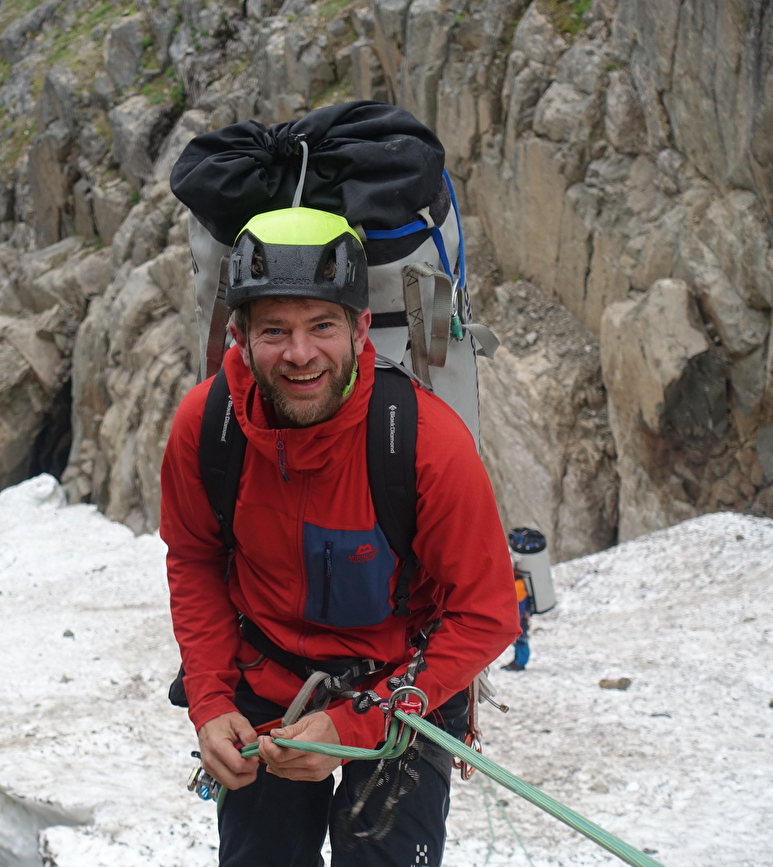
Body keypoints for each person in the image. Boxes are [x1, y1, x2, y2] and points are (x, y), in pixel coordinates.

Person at [160, 206, 520, 867]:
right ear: (240, 335)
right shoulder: (206, 427)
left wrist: (356, 722)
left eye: (321, 325)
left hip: (399, 689)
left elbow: (486, 611)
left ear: (359, 329)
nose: (300, 354)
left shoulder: (427, 446)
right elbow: (196, 562)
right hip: (263, 685)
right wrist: (210, 702)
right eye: (275, 330)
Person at [502, 571, 532, 671]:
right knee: (519, 639)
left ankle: (520, 663)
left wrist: (517, 620)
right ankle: (517, 660)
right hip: (520, 617)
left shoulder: (518, 585)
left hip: (520, 618)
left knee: (521, 639)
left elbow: (520, 605)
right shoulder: (518, 583)